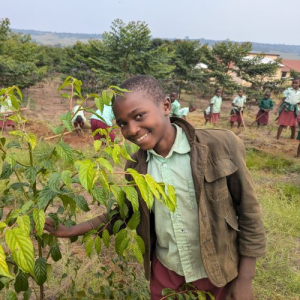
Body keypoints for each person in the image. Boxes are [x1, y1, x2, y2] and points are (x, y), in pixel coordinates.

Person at [44, 76, 266, 300]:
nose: (131, 130)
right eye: (122, 123)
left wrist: (245, 278)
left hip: (218, 272)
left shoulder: (220, 145)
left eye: (139, 116)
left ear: (166, 106)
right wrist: (69, 230)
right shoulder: (135, 166)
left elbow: (249, 212)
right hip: (166, 273)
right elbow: (125, 213)